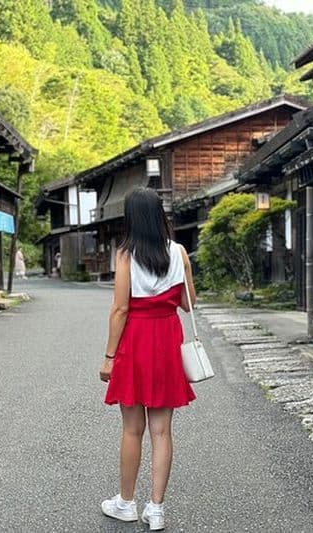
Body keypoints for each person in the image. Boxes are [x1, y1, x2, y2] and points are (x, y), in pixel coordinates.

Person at [99, 187, 196, 531]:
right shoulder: (179, 252)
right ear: (160, 216)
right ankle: (156, 508)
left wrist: (109, 357)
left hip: (135, 342)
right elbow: (188, 304)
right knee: (162, 431)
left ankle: (126, 502)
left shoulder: (125, 254)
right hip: (167, 341)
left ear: (131, 217)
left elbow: (121, 308)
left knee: (131, 429)